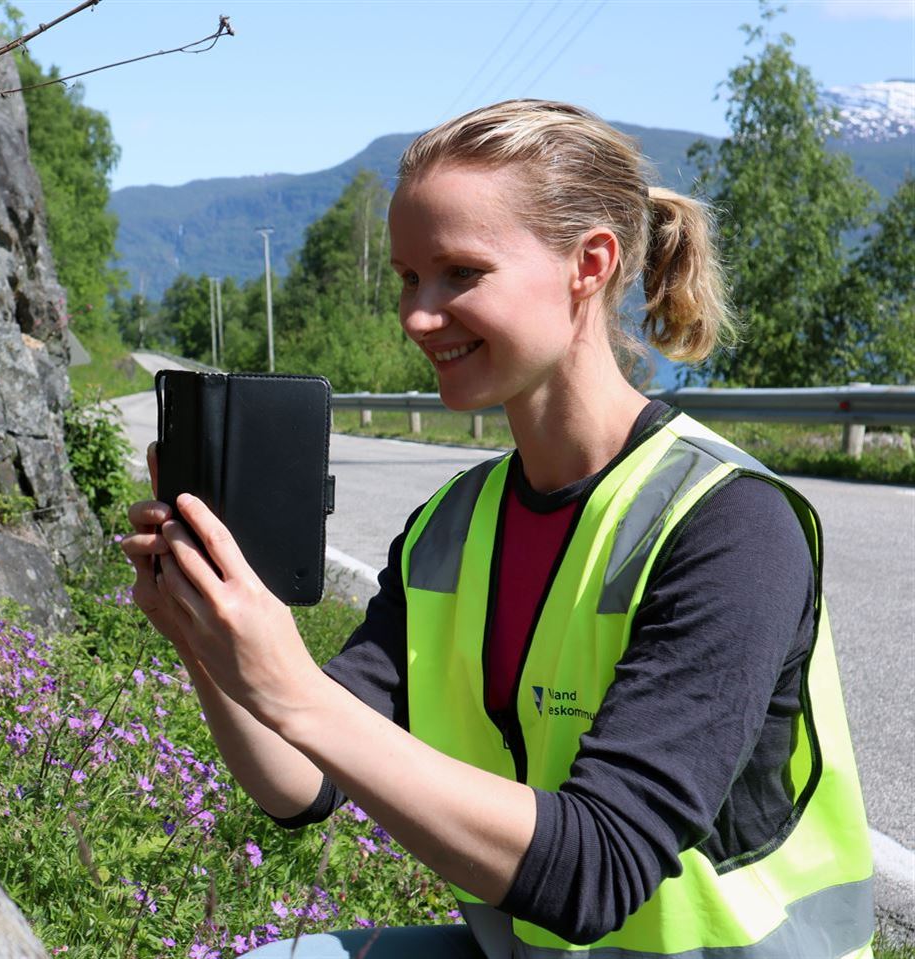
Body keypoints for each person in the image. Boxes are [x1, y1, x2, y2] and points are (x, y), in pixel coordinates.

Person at [121, 99, 874, 958]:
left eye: (459, 273)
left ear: (589, 264)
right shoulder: (450, 528)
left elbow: (598, 867)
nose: (416, 314)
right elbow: (303, 785)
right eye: (408, 277)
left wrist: (295, 687)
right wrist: (204, 633)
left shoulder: (729, 525)